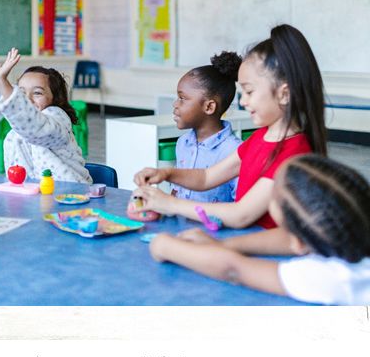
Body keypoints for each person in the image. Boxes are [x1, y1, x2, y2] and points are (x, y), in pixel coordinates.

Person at [134, 24, 327, 228]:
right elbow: (207, 177)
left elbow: (240, 214)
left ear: (284, 93)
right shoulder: (260, 138)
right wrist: (166, 174)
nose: (243, 102)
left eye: (249, 92)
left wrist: (170, 204)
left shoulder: (293, 154)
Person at [149, 155, 370, 304]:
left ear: (300, 243)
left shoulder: (333, 279)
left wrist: (165, 246)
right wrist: (224, 244)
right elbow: (291, 238)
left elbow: (234, 270)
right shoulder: (351, 232)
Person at [0, 48, 92, 183]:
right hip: (35, 196)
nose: (27, 99)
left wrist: (2, 82)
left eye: (37, 93)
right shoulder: (17, 131)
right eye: (21, 93)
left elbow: (35, 127)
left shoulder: (57, 118)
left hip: (71, 195)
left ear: (55, 98)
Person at [168, 51, 242, 203]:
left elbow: (240, 206)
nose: (175, 104)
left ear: (209, 106)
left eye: (182, 98)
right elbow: (176, 191)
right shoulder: (183, 143)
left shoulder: (234, 152)